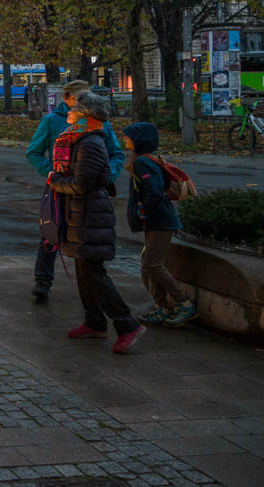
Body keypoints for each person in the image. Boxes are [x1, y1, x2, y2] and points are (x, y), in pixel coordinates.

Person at [47, 92, 146, 353]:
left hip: (90, 215)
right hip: (80, 214)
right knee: (84, 270)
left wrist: (54, 180)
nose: (68, 109)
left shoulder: (90, 142)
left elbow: (81, 183)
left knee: (93, 272)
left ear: (85, 113)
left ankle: (127, 325)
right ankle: (94, 322)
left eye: (74, 107)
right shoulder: (80, 138)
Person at [26, 79, 124, 303]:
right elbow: (34, 151)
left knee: (84, 239)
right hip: (59, 187)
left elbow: (116, 153)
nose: (81, 103)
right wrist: (52, 174)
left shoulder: (98, 122)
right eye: (78, 99)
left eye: (85, 98)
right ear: (66, 98)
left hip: (86, 191)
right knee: (51, 232)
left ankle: (92, 298)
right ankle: (43, 281)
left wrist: (107, 176)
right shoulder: (53, 121)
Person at [121, 122, 198, 328]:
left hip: (159, 221)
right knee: (149, 265)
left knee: (152, 265)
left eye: (128, 137)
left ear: (139, 140)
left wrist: (144, 211)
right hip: (158, 221)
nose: (125, 139)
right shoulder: (150, 159)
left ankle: (183, 303)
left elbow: (154, 192)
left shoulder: (142, 163)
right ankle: (161, 306)